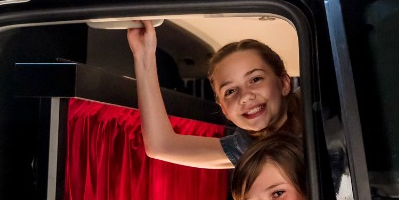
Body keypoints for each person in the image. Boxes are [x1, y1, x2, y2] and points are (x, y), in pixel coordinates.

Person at [126, 19, 301, 168]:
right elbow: (161, 146)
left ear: (284, 83)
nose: (245, 96)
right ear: (224, 110)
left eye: (255, 79)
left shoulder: (322, 102)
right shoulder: (247, 147)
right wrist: (143, 54)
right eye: (230, 91)